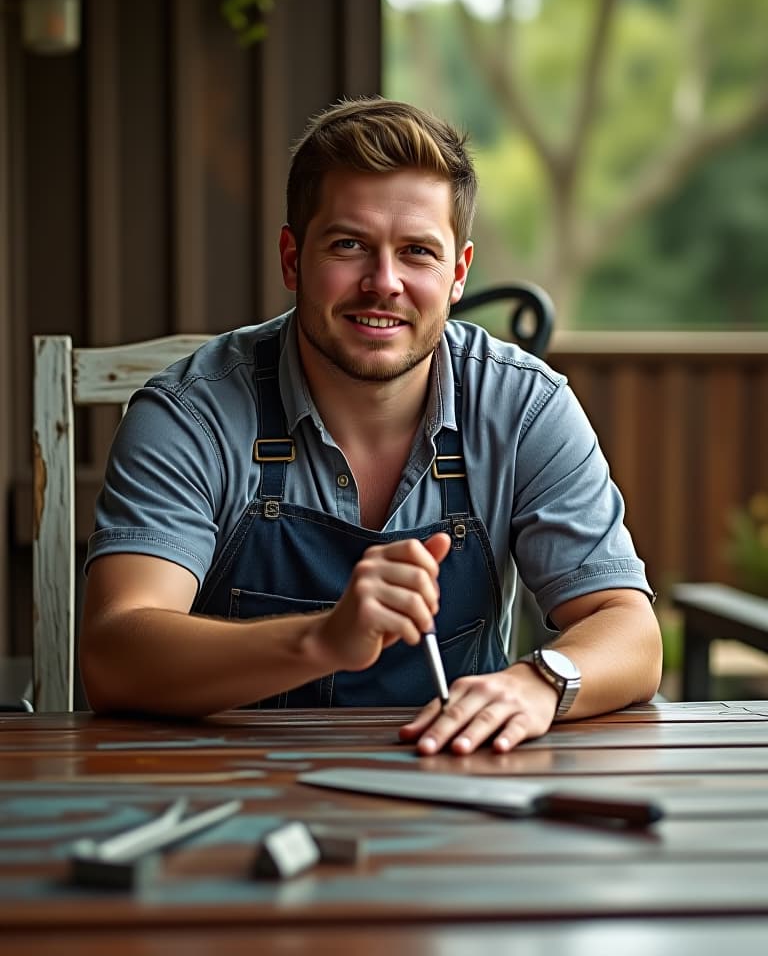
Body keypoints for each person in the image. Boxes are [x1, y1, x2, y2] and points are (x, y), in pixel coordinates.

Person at [80, 96, 662, 755]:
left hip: (461, 791)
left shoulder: (523, 407)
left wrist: (539, 681)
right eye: (349, 245)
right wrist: (324, 639)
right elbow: (115, 653)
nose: (383, 283)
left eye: (417, 252)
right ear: (292, 260)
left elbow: (630, 631)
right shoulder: (192, 412)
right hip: (227, 790)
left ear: (458, 274)